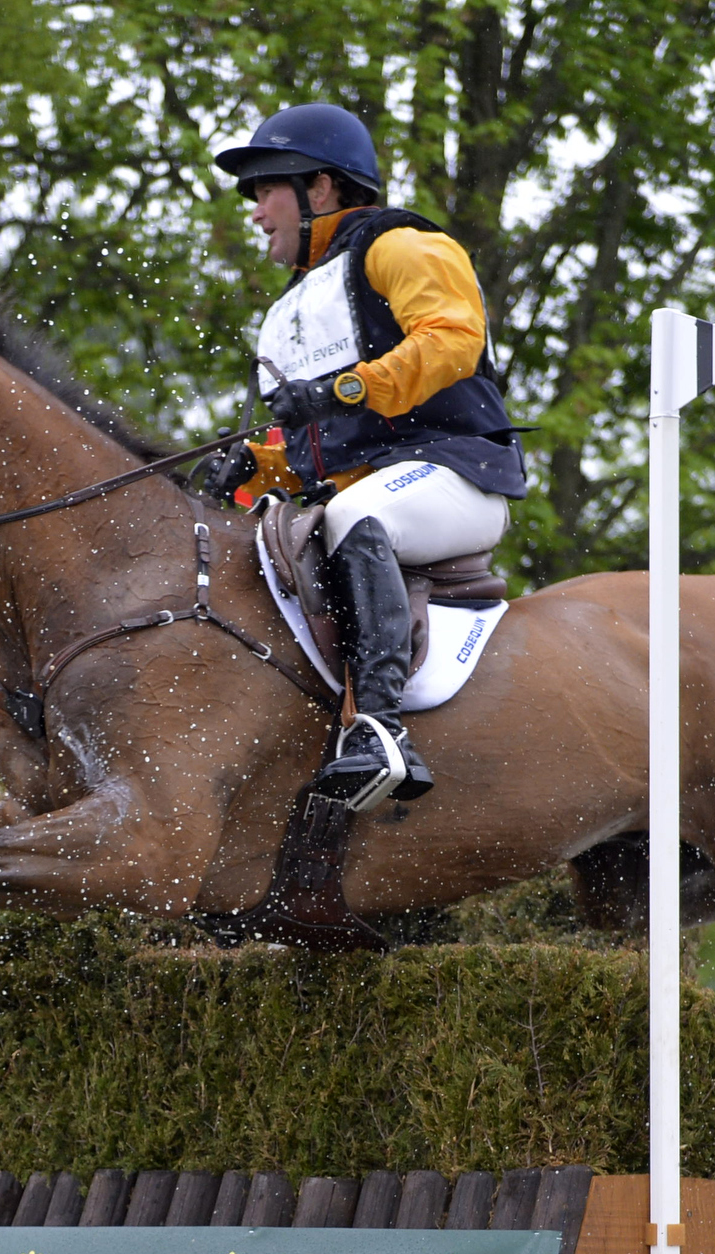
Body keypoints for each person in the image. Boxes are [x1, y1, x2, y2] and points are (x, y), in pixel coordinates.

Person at [202, 103, 527, 807]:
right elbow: (323, 445)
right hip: (377, 485)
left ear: (320, 188)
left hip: (456, 475)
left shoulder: (402, 247)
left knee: (351, 515)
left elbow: (451, 339)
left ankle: (380, 730)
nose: (256, 212)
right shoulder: (298, 303)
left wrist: (347, 386)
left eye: (266, 191)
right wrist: (258, 466)